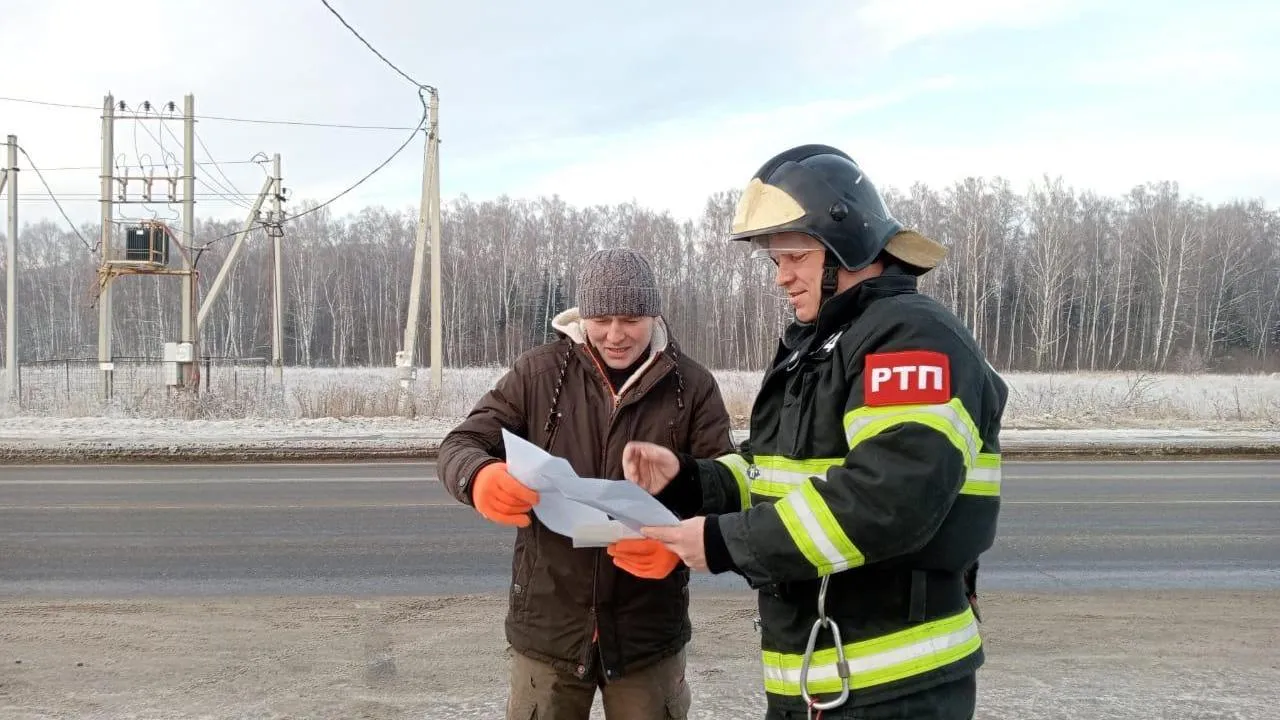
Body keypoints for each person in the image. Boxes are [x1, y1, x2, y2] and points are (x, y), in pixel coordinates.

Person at [616, 144, 1008, 720]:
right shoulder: (824, 344)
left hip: (895, 687)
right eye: (776, 262)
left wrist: (725, 543)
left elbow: (887, 498)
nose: (782, 278)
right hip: (820, 683)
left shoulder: (909, 339)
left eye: (794, 257)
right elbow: (776, 473)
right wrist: (689, 481)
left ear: (845, 243)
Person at [439, 247, 736, 720]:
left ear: (653, 315)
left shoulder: (692, 387)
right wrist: (477, 476)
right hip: (549, 625)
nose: (615, 335)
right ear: (583, 316)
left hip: (647, 631)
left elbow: (727, 483)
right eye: (602, 319)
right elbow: (463, 442)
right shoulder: (537, 374)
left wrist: (682, 544)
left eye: (631, 319)